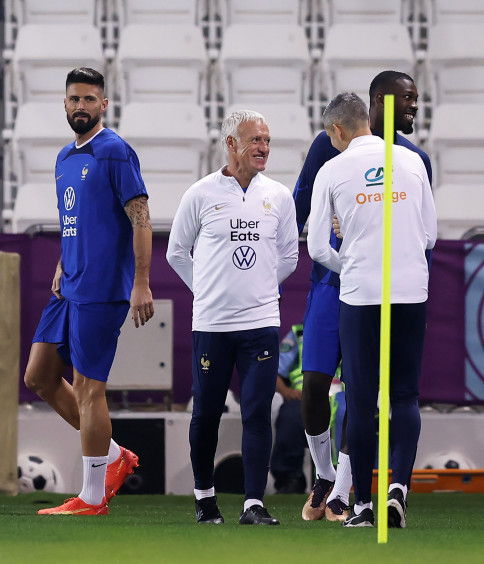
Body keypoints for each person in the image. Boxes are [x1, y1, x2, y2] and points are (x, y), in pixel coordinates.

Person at [292, 71, 431, 523]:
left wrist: (351, 253)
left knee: (363, 394)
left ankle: (355, 498)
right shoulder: (328, 150)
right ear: (377, 103)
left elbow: (318, 244)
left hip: (360, 288)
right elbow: (430, 236)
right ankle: (343, 480)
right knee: (322, 385)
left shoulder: (413, 158)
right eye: (406, 98)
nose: (413, 106)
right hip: (361, 288)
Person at [24, 67, 154, 516]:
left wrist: (140, 282)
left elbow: (140, 218)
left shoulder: (115, 151)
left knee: (87, 388)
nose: (81, 106)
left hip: (103, 288)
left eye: (89, 99)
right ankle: (114, 454)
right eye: (74, 99)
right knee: (39, 376)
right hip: (70, 285)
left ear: (104, 105)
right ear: (64, 104)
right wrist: (62, 260)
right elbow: (74, 220)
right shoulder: (64, 158)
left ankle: (93, 496)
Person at [167, 109, 299, 525]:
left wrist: (259, 289)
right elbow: (175, 253)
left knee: (258, 412)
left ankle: (253, 504)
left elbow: (290, 256)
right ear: (230, 144)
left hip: (260, 324)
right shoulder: (200, 194)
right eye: (254, 141)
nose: (263, 148)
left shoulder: (278, 195)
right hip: (212, 325)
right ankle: (205, 500)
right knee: (206, 412)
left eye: (266, 141)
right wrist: (208, 291)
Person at [271, 324, 308, 494]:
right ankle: (289, 478)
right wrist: (286, 391)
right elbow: (276, 372)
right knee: (290, 417)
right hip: (305, 398)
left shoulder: (356, 328)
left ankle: (349, 478)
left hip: (345, 397)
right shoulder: (299, 333)